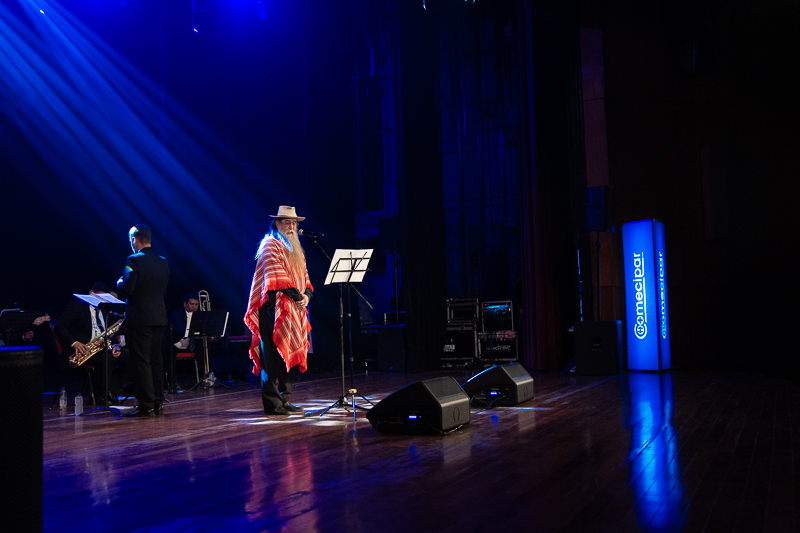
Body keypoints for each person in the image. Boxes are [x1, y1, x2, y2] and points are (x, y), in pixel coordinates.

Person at [245, 206, 313, 415]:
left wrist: (306, 297)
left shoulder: (296, 249)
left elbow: (306, 280)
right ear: (277, 223)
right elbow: (277, 278)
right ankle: (272, 402)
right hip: (271, 310)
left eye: (294, 223)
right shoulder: (269, 244)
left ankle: (285, 399)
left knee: (290, 354)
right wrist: (298, 297)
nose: (291, 226)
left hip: (295, 309)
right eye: (286, 222)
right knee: (272, 357)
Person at [116, 224, 170, 417]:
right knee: (156, 360)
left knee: (141, 361)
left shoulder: (133, 259)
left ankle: (146, 406)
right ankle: (157, 403)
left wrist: (119, 282)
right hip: (159, 316)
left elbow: (128, 288)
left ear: (134, 239)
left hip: (140, 318)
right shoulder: (163, 261)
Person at [53, 282, 124, 401]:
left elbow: (111, 333)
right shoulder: (76, 307)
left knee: (131, 356)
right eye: (99, 297)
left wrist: (115, 345)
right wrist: (74, 342)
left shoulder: (104, 311)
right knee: (107, 358)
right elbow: (59, 327)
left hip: (102, 349)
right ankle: (100, 395)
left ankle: (111, 391)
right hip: (80, 351)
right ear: (91, 293)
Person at [166, 294, 199, 390]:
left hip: (191, 343)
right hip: (177, 343)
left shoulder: (199, 315)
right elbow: (178, 329)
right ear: (185, 304)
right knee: (169, 351)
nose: (194, 306)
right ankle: (173, 382)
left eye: (196, 304)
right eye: (192, 304)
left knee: (203, 348)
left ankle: (200, 378)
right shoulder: (177, 314)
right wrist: (193, 334)